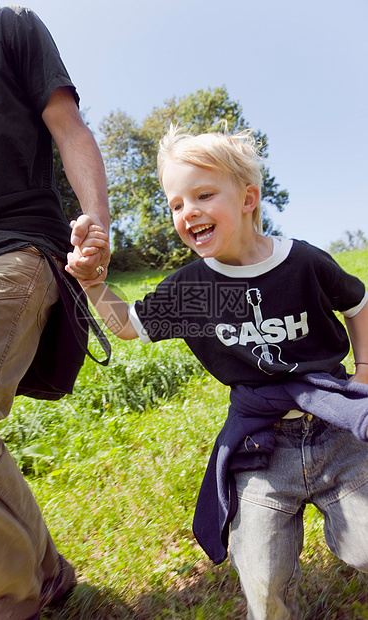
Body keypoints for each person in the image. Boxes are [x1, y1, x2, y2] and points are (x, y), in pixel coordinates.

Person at [67, 124, 368, 619]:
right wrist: (95, 281)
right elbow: (125, 326)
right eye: (176, 204)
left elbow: (358, 303)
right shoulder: (193, 290)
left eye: (203, 195)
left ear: (248, 198)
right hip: (261, 446)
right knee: (262, 576)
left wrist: (364, 369)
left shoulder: (304, 262)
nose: (188, 213)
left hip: (334, 427)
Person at [0, 1, 110, 618]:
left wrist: (96, 221)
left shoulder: (8, 28)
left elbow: (68, 127)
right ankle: (46, 573)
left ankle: (9, 597)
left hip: (18, 247)